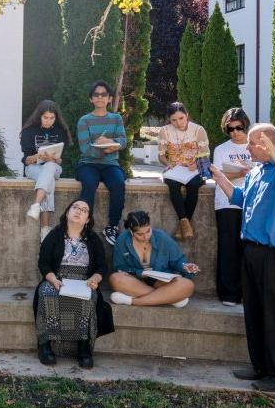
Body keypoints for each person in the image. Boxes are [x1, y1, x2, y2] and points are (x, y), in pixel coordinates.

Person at [211, 124, 275, 393]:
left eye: (253, 144)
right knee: (254, 312)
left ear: (269, 144)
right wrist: (219, 176)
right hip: (253, 251)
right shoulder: (257, 171)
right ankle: (259, 367)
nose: (247, 148)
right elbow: (242, 198)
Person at [34, 199, 113, 368]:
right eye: (75, 207)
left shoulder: (93, 239)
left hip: (84, 279)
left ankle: (83, 348)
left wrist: (95, 279)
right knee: (47, 292)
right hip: (58, 279)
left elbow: (101, 265)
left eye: (84, 210)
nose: (78, 211)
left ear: (87, 219)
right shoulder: (54, 235)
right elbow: (44, 262)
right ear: (67, 213)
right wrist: (52, 278)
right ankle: (45, 345)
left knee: (87, 296)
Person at [109, 210, 200, 307]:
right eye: (140, 234)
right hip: (137, 282)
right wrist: (139, 272)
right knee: (115, 278)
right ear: (131, 232)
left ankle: (133, 301)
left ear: (150, 226)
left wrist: (185, 267)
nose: (145, 236)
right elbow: (119, 268)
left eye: (148, 231)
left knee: (188, 285)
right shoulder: (122, 241)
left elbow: (177, 261)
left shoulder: (162, 237)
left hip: (161, 282)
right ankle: (170, 299)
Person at [76, 80, 127, 246]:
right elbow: (85, 148)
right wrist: (104, 148)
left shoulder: (116, 118)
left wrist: (110, 143)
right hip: (88, 164)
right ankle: (84, 225)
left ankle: (112, 226)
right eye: (96, 95)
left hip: (111, 164)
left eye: (103, 94)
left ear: (109, 98)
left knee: (119, 183)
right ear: (91, 99)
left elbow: (123, 141)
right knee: (89, 184)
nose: (100, 97)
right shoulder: (84, 120)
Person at [213, 107, 252, 306]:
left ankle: (249, 293)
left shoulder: (255, 146)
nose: (235, 132)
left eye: (239, 128)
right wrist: (240, 173)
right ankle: (229, 293)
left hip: (252, 203)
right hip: (226, 203)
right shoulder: (221, 149)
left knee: (250, 250)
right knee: (228, 249)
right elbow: (217, 175)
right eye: (231, 129)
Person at [21, 100, 72, 242]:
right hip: (33, 168)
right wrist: (38, 156)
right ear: (39, 116)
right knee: (48, 177)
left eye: (52, 118)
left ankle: (36, 204)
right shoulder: (28, 131)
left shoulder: (60, 131)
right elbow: (26, 160)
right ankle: (45, 231)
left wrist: (52, 159)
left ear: (56, 117)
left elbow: (61, 160)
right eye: (45, 118)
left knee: (50, 167)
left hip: (54, 167)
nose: (48, 121)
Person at [158, 102, 209, 239]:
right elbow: (161, 156)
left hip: (194, 169)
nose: (178, 123)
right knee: (172, 185)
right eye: (174, 120)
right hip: (174, 169)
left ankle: (183, 226)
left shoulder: (198, 130)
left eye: (181, 118)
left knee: (193, 185)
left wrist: (197, 164)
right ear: (169, 120)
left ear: (187, 115)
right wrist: (168, 164)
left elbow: (205, 154)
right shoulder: (164, 131)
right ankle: (185, 225)